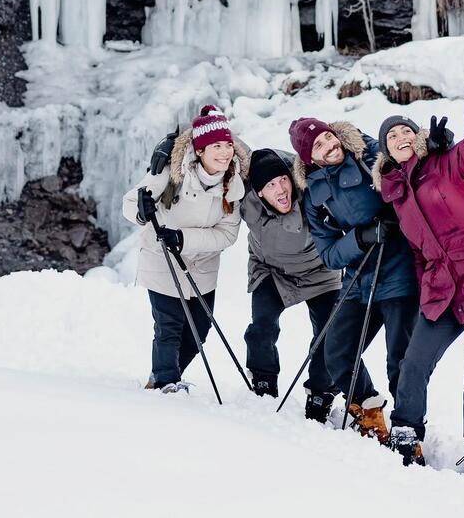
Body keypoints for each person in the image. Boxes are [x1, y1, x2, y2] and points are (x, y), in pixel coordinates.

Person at [373, 80, 464, 472]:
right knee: (413, 364)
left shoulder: (446, 162)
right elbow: (420, 253)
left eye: (406, 130)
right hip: (444, 290)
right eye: (392, 135)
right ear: (384, 150)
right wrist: (427, 291)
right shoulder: (396, 195)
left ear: (418, 137)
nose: (401, 137)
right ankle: (405, 429)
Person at [288, 117, 420, 440]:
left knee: (399, 360)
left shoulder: (368, 154)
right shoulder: (312, 196)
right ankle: (369, 413)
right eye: (318, 145)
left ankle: (408, 432)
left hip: (398, 269)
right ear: (309, 158)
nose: (330, 145)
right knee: (336, 351)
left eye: (329, 137)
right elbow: (329, 254)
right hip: (359, 278)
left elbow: (406, 164)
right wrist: (360, 238)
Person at [123, 105, 249, 393]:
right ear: (200, 150)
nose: (224, 152)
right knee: (168, 328)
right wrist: (142, 212)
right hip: (162, 261)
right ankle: (166, 384)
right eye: (216, 146)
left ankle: (167, 374)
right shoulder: (170, 173)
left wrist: (183, 238)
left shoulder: (233, 185)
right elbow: (131, 204)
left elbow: (228, 234)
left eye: (228, 145)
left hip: (202, 268)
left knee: (198, 333)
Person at [239, 148, 343, 397]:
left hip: (320, 270)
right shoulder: (244, 196)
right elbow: (218, 149)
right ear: (259, 191)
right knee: (262, 325)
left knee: (328, 334)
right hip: (271, 270)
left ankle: (321, 392)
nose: (281, 189)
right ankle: (263, 378)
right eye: (271, 184)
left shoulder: (310, 189)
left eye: (283, 180)